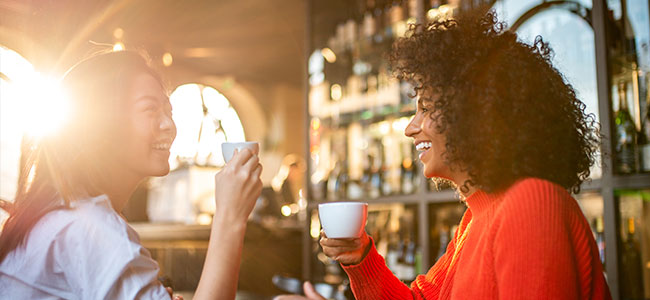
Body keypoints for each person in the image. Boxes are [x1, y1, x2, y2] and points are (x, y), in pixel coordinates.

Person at [276, 9, 611, 300]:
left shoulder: (530, 205)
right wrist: (361, 258)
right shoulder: (476, 217)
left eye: (425, 108)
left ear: (476, 113)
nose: (410, 128)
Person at [0, 50, 263, 299]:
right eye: (150, 109)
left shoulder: (61, 212)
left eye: (168, 111)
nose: (169, 125)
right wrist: (230, 216)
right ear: (102, 125)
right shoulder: (87, 227)